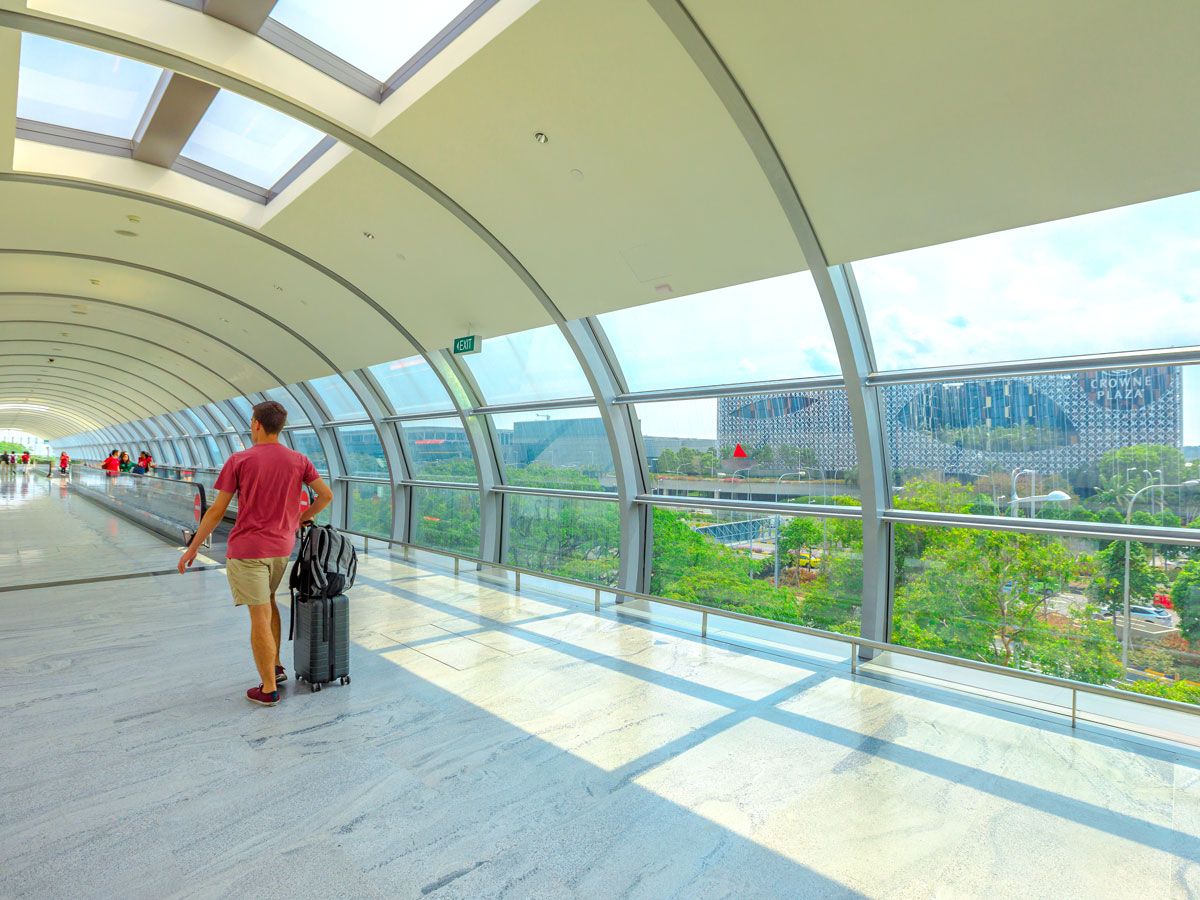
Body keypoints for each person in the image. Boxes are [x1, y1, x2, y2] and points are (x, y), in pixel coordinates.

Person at [178, 400, 332, 707]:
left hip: (249, 550)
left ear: (256, 424)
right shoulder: (298, 460)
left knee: (259, 615)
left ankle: (268, 689)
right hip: (281, 549)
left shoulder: (240, 460)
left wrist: (193, 547)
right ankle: (275, 666)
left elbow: (217, 511)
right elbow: (325, 495)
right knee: (270, 603)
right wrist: (299, 519)